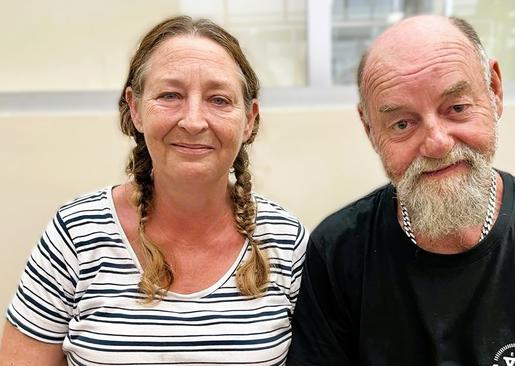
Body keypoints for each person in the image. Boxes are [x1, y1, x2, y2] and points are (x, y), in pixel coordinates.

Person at [287, 15, 515, 366]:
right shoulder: (337, 253)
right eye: (402, 123)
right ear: (370, 130)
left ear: (494, 91)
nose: (437, 143)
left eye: (456, 108)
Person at [0, 16, 307, 365]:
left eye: (219, 99)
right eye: (170, 95)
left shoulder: (285, 241)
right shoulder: (76, 233)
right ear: (135, 109)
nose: (193, 121)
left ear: (249, 119)